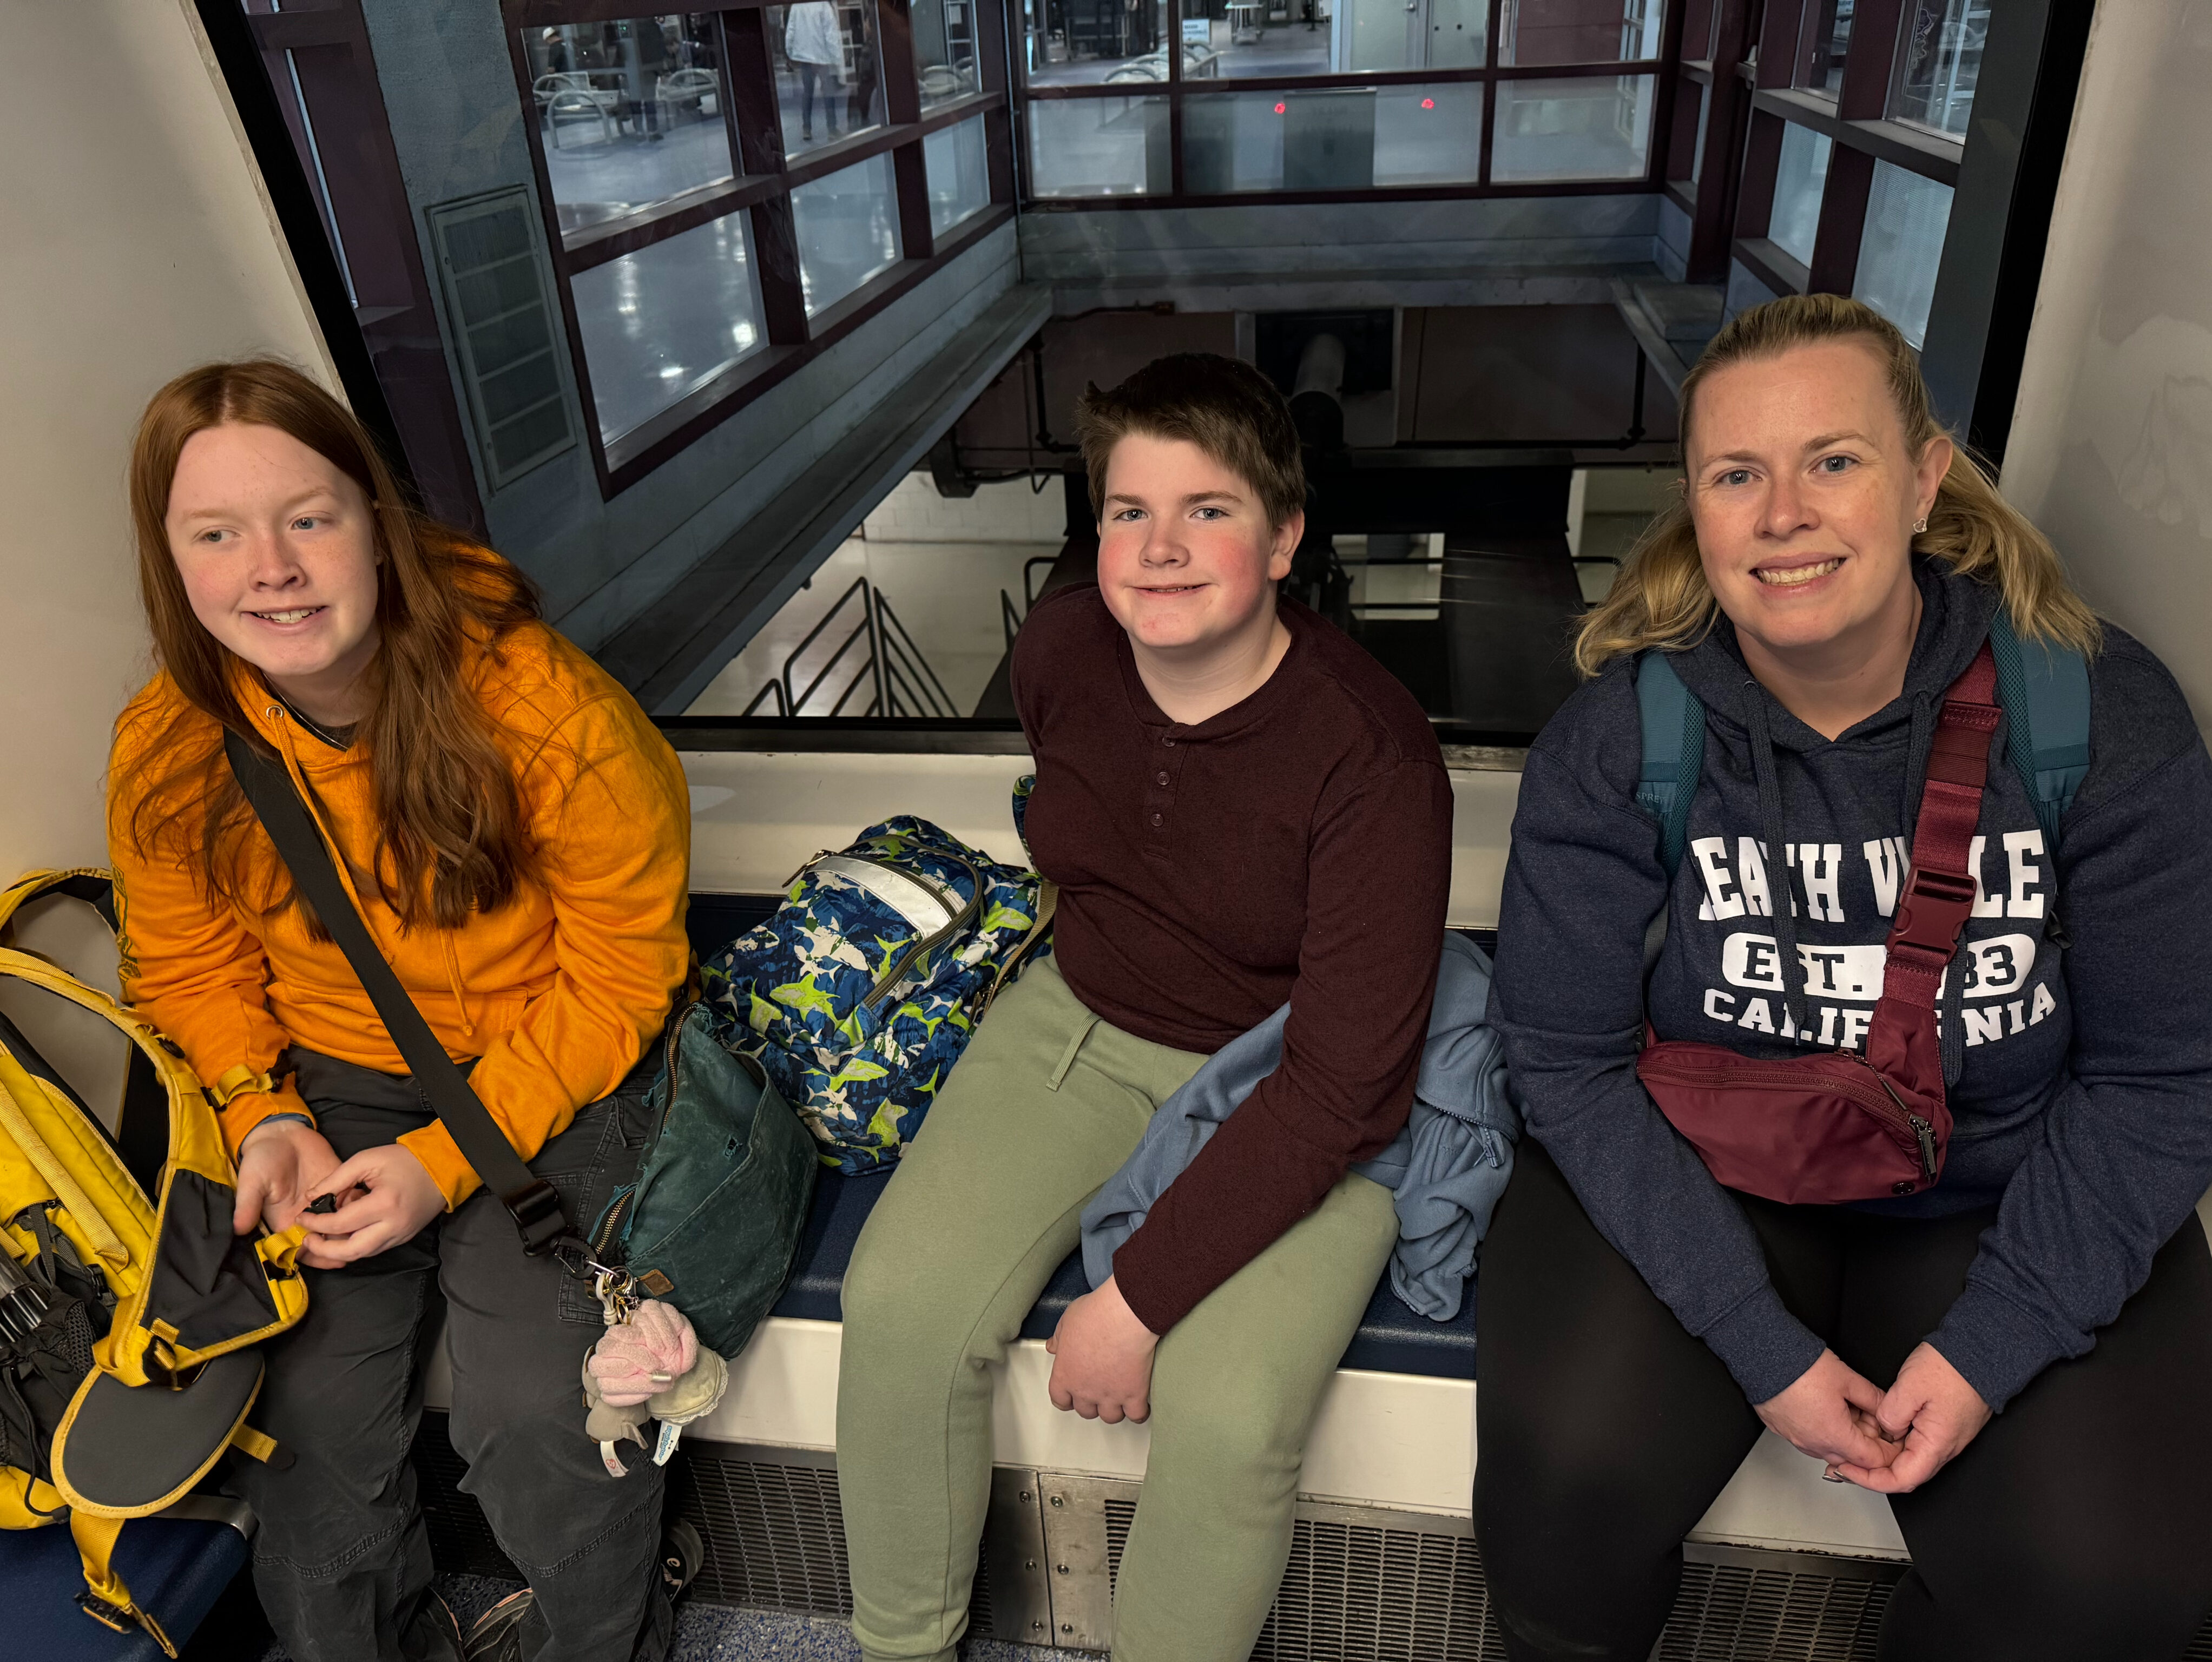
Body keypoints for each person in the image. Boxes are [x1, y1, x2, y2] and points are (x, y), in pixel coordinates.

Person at [1479, 293, 2212, 1661]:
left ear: (1925, 476)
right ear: (1694, 505)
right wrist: (1762, 1347)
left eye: (1834, 459)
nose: (1782, 514)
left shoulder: (2100, 719)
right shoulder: (1622, 736)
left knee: (2117, 1591)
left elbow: (2163, 1074)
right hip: (1713, 1173)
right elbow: (1562, 1059)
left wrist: (1994, 1344)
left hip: (1997, 1178)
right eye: (1736, 474)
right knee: (1561, 1490)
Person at [833, 353, 1454, 1662]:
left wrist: (1137, 1298)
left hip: (1290, 1077)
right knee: (897, 1304)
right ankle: (899, 1644)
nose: (1160, 549)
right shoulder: (1063, 645)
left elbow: (1346, 1084)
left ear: (1285, 538)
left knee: (1226, 1406)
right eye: (1128, 511)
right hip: (1081, 1016)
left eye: (1208, 510)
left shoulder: (1372, 751)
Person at [106, 361, 697, 1662]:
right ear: (172, 559)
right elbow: (187, 964)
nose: (272, 566)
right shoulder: (169, 739)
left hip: (559, 1054)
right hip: (331, 1079)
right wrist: (261, 1109)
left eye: (308, 517)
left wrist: (442, 1163)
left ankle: (607, 1638)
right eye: (217, 533)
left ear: (377, 521)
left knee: (542, 1407)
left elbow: (621, 972)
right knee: (295, 1411)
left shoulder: (543, 708)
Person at [784, 1, 844, 143]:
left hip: (806, 58)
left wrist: (790, 52)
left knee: (808, 93)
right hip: (822, 57)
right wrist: (836, 57)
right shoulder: (823, 5)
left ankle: (807, 129)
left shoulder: (797, 6)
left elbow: (791, 30)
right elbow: (831, 33)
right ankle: (832, 129)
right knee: (828, 93)